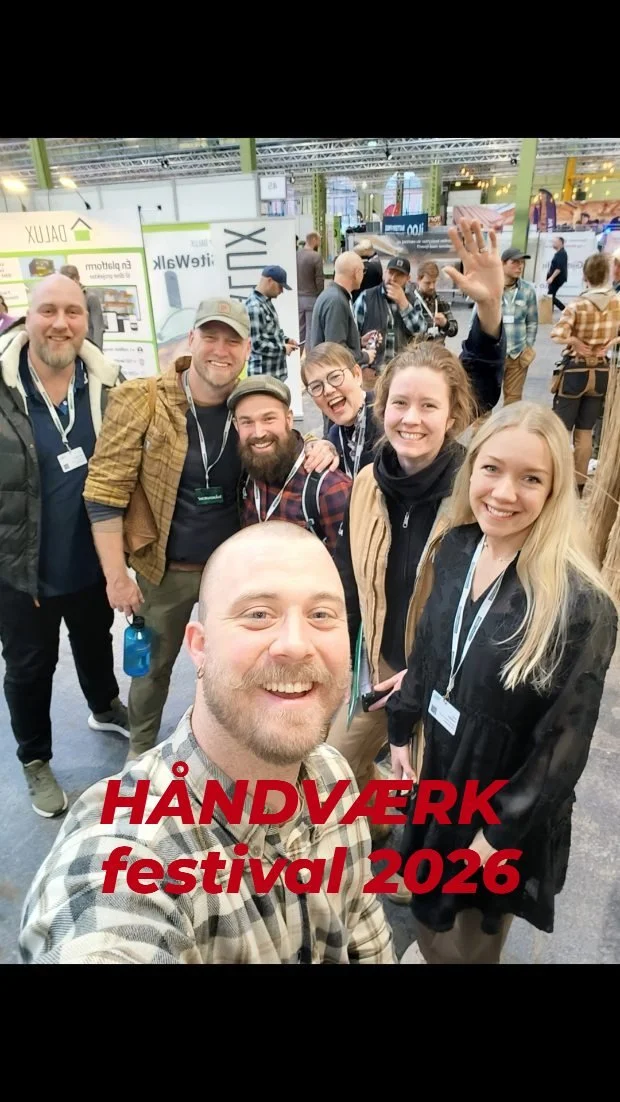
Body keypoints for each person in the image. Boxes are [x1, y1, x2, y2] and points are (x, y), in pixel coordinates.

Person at [19, 522, 397, 965]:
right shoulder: (127, 855)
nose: (296, 645)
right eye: (258, 614)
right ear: (199, 646)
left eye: (321, 615)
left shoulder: (334, 776)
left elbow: (362, 925)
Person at [387, 402, 617, 965]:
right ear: (472, 470)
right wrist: (401, 728)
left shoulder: (579, 606)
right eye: (492, 469)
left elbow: (562, 746)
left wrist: (495, 836)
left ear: (555, 490)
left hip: (498, 801)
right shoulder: (457, 547)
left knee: (468, 940)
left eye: (531, 478)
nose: (505, 493)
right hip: (442, 769)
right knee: (426, 910)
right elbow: (430, 648)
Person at [84, 298, 337, 761]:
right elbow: (104, 491)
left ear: (246, 350)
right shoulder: (143, 400)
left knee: (235, 664)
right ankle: (140, 751)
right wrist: (116, 576)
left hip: (235, 570)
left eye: (232, 341)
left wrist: (320, 444)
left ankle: (228, 747)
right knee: (153, 668)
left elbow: (278, 436)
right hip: (166, 569)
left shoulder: (245, 402)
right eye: (211, 337)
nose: (221, 350)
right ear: (191, 340)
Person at [328, 342, 475, 865]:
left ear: (452, 416)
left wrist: (427, 670)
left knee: (430, 782)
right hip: (380, 665)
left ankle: (417, 863)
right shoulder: (368, 482)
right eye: (400, 403)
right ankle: (381, 823)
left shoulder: (474, 493)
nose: (411, 419)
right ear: (382, 406)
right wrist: (341, 655)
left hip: (445, 678)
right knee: (337, 763)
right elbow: (348, 575)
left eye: (429, 405)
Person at [0, 274, 128, 818]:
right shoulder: (5, 386)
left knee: (96, 639)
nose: (60, 323)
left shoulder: (107, 384)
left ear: (86, 319)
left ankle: (104, 705)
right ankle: (35, 758)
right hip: (20, 568)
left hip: (91, 558)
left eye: (72, 312)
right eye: (48, 311)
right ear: (26, 317)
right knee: (30, 668)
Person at [230, 375, 352, 553]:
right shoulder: (246, 472)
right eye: (247, 422)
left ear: (288, 419)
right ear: (236, 425)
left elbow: (348, 566)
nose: (258, 432)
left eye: (268, 419)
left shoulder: (329, 489)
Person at [550, 252, 620, 493]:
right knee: (585, 431)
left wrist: (575, 341)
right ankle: (579, 483)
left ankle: (557, 481)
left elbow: (557, 334)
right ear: (607, 274)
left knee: (561, 429)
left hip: (576, 371)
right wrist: (610, 343)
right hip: (601, 370)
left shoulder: (577, 304)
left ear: (585, 276)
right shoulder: (616, 303)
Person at [303, 342, 381, 478]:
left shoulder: (386, 419)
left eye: (335, 377)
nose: (328, 390)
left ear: (357, 375)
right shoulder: (334, 436)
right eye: (316, 387)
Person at [354, 256, 427, 377]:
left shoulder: (413, 300)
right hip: (373, 372)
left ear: (408, 279)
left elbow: (421, 332)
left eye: (399, 275)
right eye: (391, 273)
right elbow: (352, 335)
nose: (393, 279)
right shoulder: (367, 297)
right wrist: (363, 366)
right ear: (384, 273)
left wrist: (403, 303)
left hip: (402, 372)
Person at [498, 247, 538, 406]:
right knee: (484, 401)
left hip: (517, 356)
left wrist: (528, 346)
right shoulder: (492, 288)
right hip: (493, 355)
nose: (520, 266)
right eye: (514, 262)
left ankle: (509, 424)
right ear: (502, 263)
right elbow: (475, 321)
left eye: (522, 262)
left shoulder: (527, 291)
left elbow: (532, 321)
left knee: (513, 402)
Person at [245, 266, 299, 380]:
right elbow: (257, 344)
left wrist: (286, 340)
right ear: (270, 281)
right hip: (263, 376)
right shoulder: (254, 306)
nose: (281, 291)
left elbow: (270, 332)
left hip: (272, 374)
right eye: (280, 286)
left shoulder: (264, 302)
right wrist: (283, 349)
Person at [411, 261, 458, 343]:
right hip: (416, 349)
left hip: (437, 349)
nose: (432, 286)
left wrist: (445, 324)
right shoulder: (410, 301)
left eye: (434, 282)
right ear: (418, 280)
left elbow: (454, 330)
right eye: (428, 283)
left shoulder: (440, 301)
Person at [59, 265, 105, 350]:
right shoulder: (62, 297)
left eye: (68, 282)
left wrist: (97, 352)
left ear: (76, 279)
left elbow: (98, 327)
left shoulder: (90, 297)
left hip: (87, 347)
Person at [296, 231, 324, 347]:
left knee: (300, 329)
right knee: (311, 330)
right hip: (312, 298)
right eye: (319, 240)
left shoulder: (296, 255)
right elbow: (319, 279)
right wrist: (321, 295)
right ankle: (309, 355)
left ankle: (297, 353)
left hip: (298, 297)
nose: (320, 243)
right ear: (314, 240)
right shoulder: (316, 256)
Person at [546, 236, 568, 313]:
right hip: (555, 279)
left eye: (555, 242)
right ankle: (549, 313)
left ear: (561, 243)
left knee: (550, 297)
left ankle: (566, 310)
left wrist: (551, 278)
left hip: (557, 279)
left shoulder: (562, 253)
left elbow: (559, 268)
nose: (553, 243)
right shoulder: (559, 253)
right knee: (551, 296)